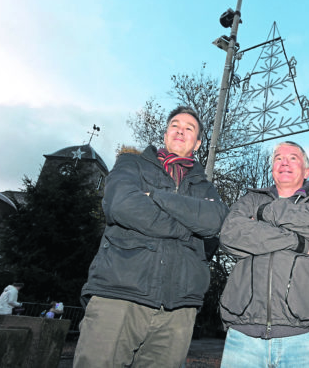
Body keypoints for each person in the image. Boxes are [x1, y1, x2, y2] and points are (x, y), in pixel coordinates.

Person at [73, 105, 229, 368]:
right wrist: (190, 228)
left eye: (189, 128)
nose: (180, 130)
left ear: (198, 143)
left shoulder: (206, 187)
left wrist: (156, 198)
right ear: (166, 133)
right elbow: (122, 206)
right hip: (119, 294)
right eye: (175, 125)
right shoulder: (131, 163)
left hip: (179, 309)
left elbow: (216, 224)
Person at [218, 141, 309, 368]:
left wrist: (264, 213)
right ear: (272, 169)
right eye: (278, 158)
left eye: (293, 158)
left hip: (305, 336)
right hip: (243, 334)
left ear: (306, 171)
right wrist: (299, 243)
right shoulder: (250, 200)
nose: (284, 162)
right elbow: (230, 234)